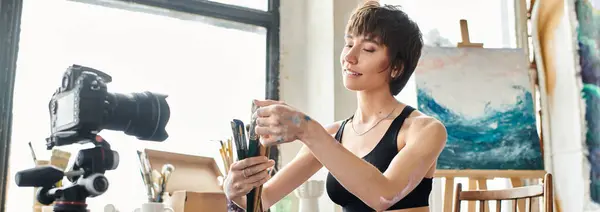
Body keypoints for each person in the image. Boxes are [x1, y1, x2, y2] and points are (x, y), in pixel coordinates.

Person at [223, 1, 447, 212]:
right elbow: (263, 200)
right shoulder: (332, 134)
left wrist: (307, 129)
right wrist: (232, 189)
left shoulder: (425, 130)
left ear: (396, 67)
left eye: (368, 49)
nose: (349, 56)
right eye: (349, 44)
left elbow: (383, 196)